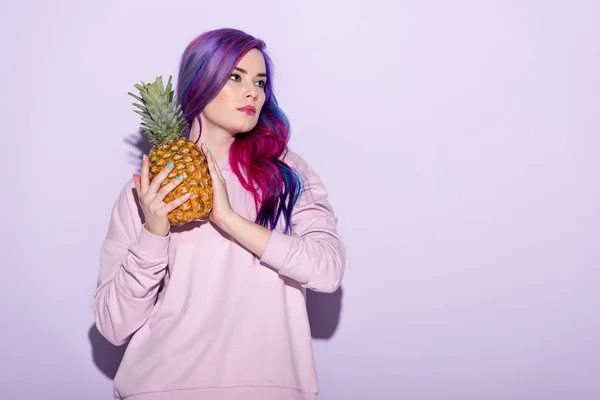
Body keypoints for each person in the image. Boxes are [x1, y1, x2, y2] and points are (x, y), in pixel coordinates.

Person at [92, 28, 346, 400]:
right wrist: (154, 233)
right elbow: (113, 325)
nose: (253, 92)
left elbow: (327, 271)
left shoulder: (288, 174)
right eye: (235, 77)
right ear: (200, 82)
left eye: (260, 82)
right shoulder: (149, 187)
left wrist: (228, 219)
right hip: (160, 388)